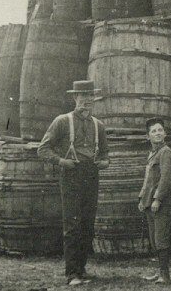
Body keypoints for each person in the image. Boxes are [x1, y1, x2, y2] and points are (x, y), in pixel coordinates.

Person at [38, 80, 109, 287]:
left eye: (90, 96)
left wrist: (104, 163)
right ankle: (72, 274)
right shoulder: (62, 121)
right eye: (83, 96)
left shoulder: (98, 125)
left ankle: (81, 269)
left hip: (91, 175)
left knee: (87, 224)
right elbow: (43, 149)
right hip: (71, 174)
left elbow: (105, 155)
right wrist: (61, 161)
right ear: (75, 97)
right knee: (72, 225)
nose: (87, 100)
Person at [138, 118, 171, 284]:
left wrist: (157, 199)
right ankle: (159, 272)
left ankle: (165, 275)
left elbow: (166, 178)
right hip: (150, 203)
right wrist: (142, 199)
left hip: (163, 203)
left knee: (161, 238)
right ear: (148, 136)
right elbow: (148, 180)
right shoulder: (153, 154)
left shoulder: (166, 152)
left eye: (160, 130)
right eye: (153, 131)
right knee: (154, 239)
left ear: (165, 134)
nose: (157, 133)